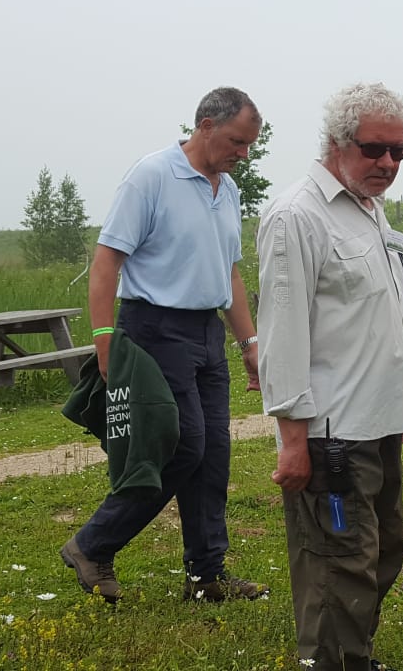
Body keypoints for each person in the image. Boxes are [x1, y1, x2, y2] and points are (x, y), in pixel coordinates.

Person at [60, 86, 266, 604]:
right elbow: (107, 261)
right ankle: (93, 543)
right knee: (180, 445)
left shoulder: (228, 190)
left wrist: (249, 340)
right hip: (153, 329)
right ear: (204, 125)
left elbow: (231, 273)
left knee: (213, 453)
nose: (243, 154)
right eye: (237, 142)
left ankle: (206, 575)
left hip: (204, 334)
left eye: (249, 146)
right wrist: (104, 339)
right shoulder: (152, 176)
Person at [255, 82, 403, 671]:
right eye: (375, 149)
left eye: (399, 152)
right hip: (332, 432)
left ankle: (352, 655)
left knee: (381, 553)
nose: (388, 163)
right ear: (337, 142)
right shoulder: (296, 217)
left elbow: (386, 318)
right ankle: (332, 661)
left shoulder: (367, 210)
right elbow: (283, 336)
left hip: (378, 423)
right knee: (339, 563)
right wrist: (294, 440)